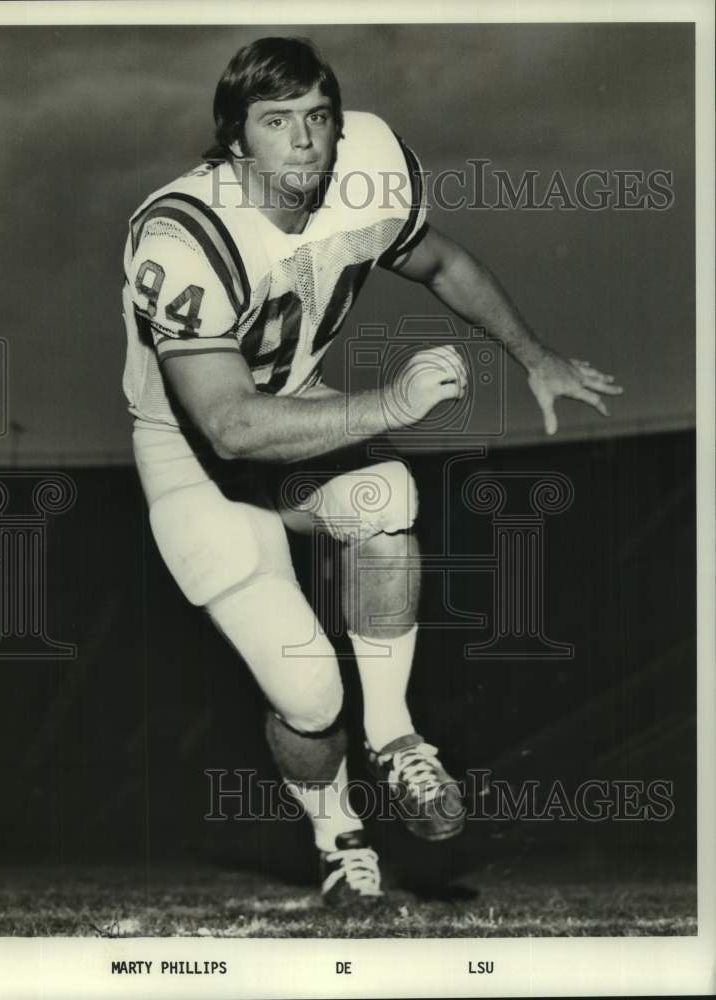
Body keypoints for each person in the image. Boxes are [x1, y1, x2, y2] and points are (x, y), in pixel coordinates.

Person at [121, 36, 622, 908]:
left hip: (299, 409)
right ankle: (336, 836)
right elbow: (232, 427)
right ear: (234, 139)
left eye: (318, 117)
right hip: (195, 453)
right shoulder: (182, 234)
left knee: (386, 495)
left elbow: (441, 261)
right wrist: (388, 406)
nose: (306, 142)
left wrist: (533, 355)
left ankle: (395, 738)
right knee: (310, 695)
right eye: (276, 123)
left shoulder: (369, 163)